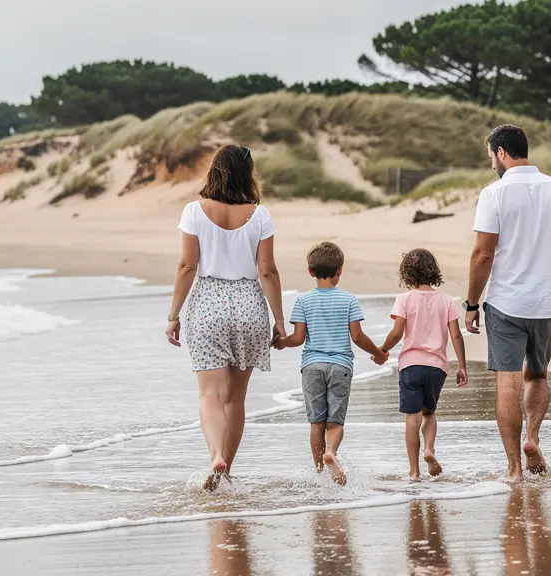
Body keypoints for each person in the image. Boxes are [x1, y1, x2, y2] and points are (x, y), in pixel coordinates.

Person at [463, 124, 551, 482]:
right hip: (548, 303)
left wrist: (472, 304)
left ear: (502, 152)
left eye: (491, 156)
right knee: (537, 374)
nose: (492, 163)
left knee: (508, 382)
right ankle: (532, 438)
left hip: (506, 304)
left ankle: (514, 469)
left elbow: (482, 254)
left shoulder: (495, 193)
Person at [165, 144, 286, 492]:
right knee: (235, 398)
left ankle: (216, 455)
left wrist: (174, 315)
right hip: (250, 305)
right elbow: (268, 271)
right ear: (247, 174)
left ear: (215, 170)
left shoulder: (193, 211)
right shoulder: (260, 215)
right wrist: (279, 320)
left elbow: (187, 266)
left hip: (208, 306)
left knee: (209, 395)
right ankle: (226, 470)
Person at [273, 241, 388, 485]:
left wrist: (281, 342)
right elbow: (357, 337)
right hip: (341, 367)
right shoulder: (348, 300)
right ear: (340, 271)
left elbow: (298, 338)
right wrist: (378, 353)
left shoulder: (303, 301)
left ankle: (320, 475)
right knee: (335, 422)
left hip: (312, 367)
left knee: (317, 422)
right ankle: (331, 453)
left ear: (310, 272)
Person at [379, 249, 467, 482]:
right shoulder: (446, 300)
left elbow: (397, 332)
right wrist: (462, 366)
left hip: (411, 365)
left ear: (407, 273)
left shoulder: (404, 299)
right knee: (429, 412)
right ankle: (429, 448)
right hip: (437, 367)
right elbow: (456, 336)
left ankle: (414, 470)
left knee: (412, 417)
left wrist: (383, 350)